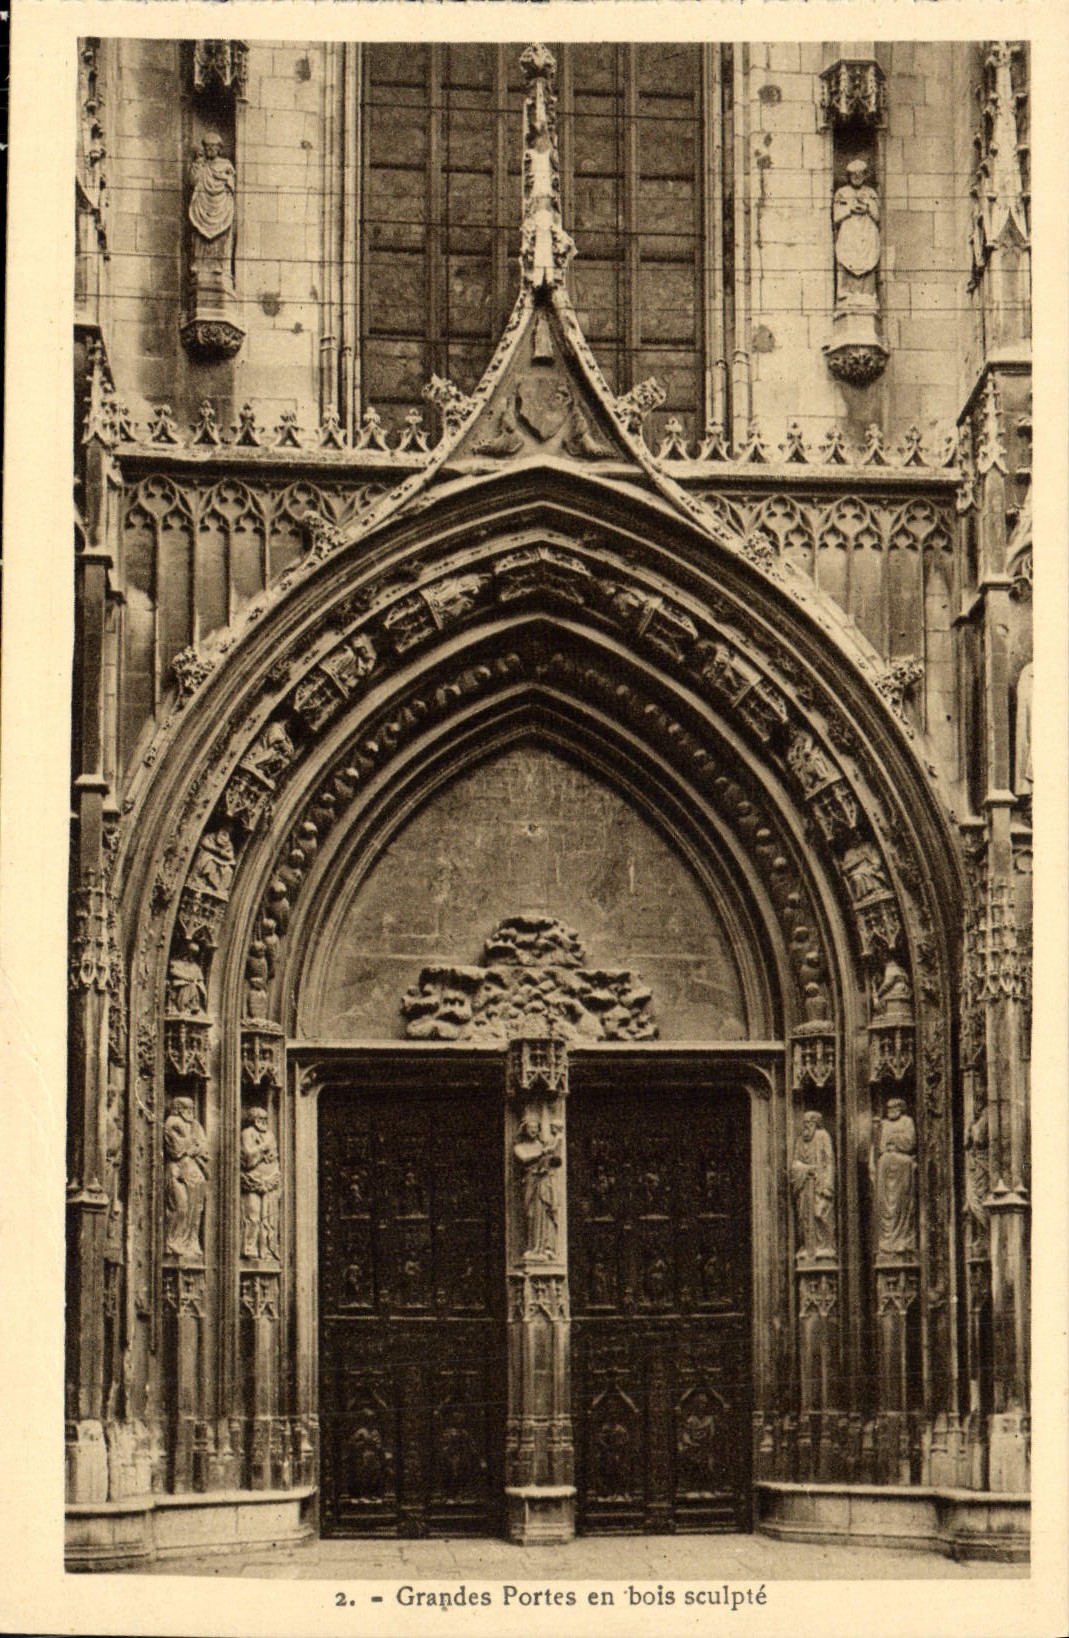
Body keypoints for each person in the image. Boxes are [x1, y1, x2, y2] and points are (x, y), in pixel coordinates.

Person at [188, 133, 236, 293]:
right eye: (207, 146)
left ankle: (220, 266)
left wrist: (224, 179)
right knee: (199, 236)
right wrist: (198, 165)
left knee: (221, 236)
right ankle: (199, 265)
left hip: (221, 206)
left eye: (213, 146)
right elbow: (192, 181)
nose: (210, 149)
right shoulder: (201, 165)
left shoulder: (225, 164)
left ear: (219, 149)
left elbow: (231, 183)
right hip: (202, 207)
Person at [164, 1096, 210, 1258]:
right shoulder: (171, 1122)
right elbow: (175, 1148)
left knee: (196, 1209)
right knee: (180, 1207)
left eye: (191, 1109)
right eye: (185, 1109)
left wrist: (191, 1146)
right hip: (177, 1172)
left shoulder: (196, 1125)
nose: (189, 1112)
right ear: (178, 1109)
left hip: (194, 1175)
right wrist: (190, 1143)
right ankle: (174, 1240)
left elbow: (203, 1148)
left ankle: (191, 1240)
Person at [513, 1112, 562, 1257]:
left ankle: (547, 1247)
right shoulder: (519, 1147)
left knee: (544, 1212)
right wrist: (542, 1154)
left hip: (544, 1183)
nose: (533, 1130)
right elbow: (523, 1159)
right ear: (524, 1129)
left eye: (536, 1127)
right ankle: (532, 1246)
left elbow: (556, 1162)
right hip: (530, 1182)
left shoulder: (543, 1145)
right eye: (530, 1127)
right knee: (530, 1214)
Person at [833, 159, 881, 301]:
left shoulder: (870, 192)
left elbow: (877, 216)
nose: (857, 177)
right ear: (849, 176)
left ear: (865, 175)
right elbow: (836, 216)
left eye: (860, 174)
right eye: (854, 174)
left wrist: (867, 207)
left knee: (868, 258)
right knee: (846, 257)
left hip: (867, 232)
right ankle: (845, 292)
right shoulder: (842, 192)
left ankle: (867, 292)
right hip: (849, 231)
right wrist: (849, 208)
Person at [790, 1111, 836, 1259]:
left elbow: (828, 1161)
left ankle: (824, 1247)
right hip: (804, 1187)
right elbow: (794, 1165)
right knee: (804, 1218)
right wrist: (806, 1169)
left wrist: (828, 1185)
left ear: (816, 1124)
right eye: (804, 1123)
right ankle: (808, 1247)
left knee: (820, 1213)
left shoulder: (823, 1136)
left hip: (820, 1185)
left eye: (810, 1123)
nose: (806, 1126)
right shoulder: (799, 1141)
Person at [875, 1098, 917, 1256]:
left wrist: (893, 1140)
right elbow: (880, 1146)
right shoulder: (884, 1124)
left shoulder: (907, 1121)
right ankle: (886, 1241)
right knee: (884, 1206)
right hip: (885, 1171)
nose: (891, 1110)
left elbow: (910, 1143)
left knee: (902, 1204)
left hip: (902, 1169)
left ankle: (902, 1239)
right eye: (888, 1107)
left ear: (901, 1108)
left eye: (894, 1107)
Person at [240, 1106, 281, 1260]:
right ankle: (250, 1249)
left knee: (269, 1218)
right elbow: (247, 1156)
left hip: (270, 1181)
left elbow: (274, 1153)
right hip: (252, 1181)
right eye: (260, 1119)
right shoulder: (247, 1133)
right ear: (253, 1120)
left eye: (265, 1119)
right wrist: (262, 1148)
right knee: (253, 1216)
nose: (263, 1122)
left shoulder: (270, 1134)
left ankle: (267, 1249)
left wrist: (269, 1155)